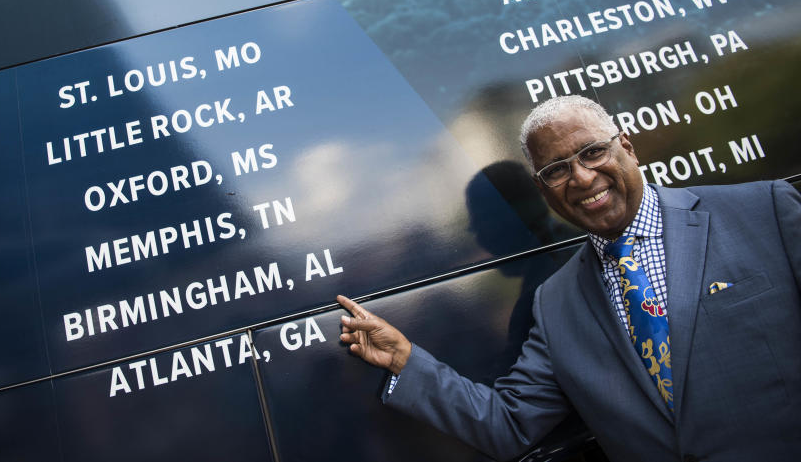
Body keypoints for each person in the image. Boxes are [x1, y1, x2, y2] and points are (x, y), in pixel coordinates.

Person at [338, 95, 801, 462]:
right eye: (556, 170)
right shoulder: (555, 302)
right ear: (543, 191)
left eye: (593, 152)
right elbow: (508, 425)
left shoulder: (764, 212)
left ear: (628, 146)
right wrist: (405, 359)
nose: (581, 177)